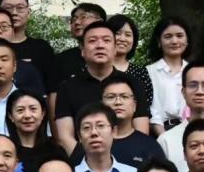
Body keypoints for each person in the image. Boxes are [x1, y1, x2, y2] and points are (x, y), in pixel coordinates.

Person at [54, 21, 149, 153]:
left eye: (106, 40)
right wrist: (86, 161)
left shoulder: (133, 83)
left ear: (115, 49)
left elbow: (141, 131)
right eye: (92, 41)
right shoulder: (67, 87)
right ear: (82, 50)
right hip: (83, 160)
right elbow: (65, 137)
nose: (100, 46)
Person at [70, 73, 167, 169]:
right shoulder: (90, 143)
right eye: (111, 97)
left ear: (134, 105)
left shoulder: (149, 146)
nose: (118, 102)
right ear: (101, 104)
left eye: (124, 97)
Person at [0, 0, 56, 94]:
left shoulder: (42, 48)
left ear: (28, 13)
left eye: (20, 8)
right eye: (8, 8)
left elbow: (52, 90)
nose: (14, 13)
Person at [6, 88, 66, 172]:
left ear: (42, 114)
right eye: (20, 110)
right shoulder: (5, 150)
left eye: (33, 109)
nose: (27, 115)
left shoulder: (56, 150)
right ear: (11, 116)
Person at [147, 16, 191, 133]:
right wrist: (163, 137)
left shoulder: (194, 71)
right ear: (159, 41)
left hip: (191, 131)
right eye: (168, 37)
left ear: (187, 40)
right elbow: (152, 110)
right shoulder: (149, 72)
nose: (174, 41)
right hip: (158, 133)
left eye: (179, 36)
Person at [107, 14, 155, 115]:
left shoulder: (140, 72)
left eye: (128, 35)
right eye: (117, 33)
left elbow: (146, 105)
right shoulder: (98, 68)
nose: (122, 38)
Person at [51, 2, 107, 86]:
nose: (77, 22)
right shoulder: (61, 60)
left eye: (83, 17)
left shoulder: (112, 55)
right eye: (73, 19)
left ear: (100, 21)